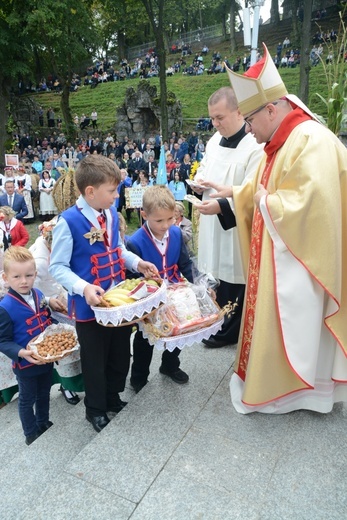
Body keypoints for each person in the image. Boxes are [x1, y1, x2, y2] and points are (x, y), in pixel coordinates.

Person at [199, 43, 347, 414]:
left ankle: (304, 390)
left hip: (305, 260)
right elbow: (267, 185)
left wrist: (265, 202)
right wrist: (237, 192)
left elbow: (310, 205)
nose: (248, 131)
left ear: (271, 108)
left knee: (301, 323)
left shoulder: (310, 140)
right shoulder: (284, 139)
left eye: (250, 121)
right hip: (287, 252)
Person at [49, 155, 158, 433]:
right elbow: (58, 267)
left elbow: (118, 249)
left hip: (118, 303)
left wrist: (136, 262)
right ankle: (95, 409)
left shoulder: (109, 214)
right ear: (90, 192)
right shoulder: (69, 222)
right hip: (89, 309)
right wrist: (83, 287)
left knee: (120, 354)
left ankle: (112, 396)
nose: (116, 195)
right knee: (95, 361)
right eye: (112, 190)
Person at [193, 86, 263, 349]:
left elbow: (251, 189)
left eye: (220, 117)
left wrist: (223, 206)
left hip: (234, 225)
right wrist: (200, 183)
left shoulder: (254, 146)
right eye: (212, 118)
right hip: (212, 220)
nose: (215, 123)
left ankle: (229, 331)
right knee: (213, 269)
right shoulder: (213, 141)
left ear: (239, 112)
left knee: (233, 272)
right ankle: (213, 320)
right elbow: (207, 168)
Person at [127, 185, 193, 393]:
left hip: (175, 291)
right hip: (149, 298)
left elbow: (185, 263)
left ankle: (170, 365)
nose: (165, 225)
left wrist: (199, 283)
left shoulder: (176, 233)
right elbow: (132, 276)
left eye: (170, 219)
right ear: (144, 214)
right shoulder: (135, 242)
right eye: (159, 220)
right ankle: (139, 376)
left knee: (178, 329)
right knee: (145, 338)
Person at [0, 247, 65, 445]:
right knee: (27, 399)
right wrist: (21, 352)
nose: (23, 281)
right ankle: (30, 432)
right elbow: (3, 341)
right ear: (5, 277)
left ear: (35, 275)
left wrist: (57, 331)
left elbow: (45, 318)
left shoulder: (38, 295)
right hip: (26, 365)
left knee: (44, 392)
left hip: (45, 359)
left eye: (29, 275)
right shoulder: (5, 307)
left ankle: (43, 422)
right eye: (17, 276)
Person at [29, 218, 83, 405]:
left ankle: (76, 380)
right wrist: (50, 301)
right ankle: (67, 384)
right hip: (49, 309)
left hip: (64, 298)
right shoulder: (38, 262)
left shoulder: (52, 248)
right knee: (64, 348)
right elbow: (31, 293)